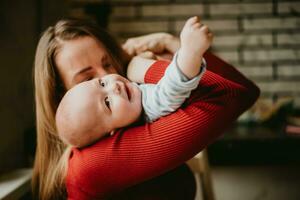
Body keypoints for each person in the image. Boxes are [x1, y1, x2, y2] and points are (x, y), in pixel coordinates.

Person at [32, 15, 260, 200]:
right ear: (61, 97)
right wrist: (139, 67)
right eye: (86, 79)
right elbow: (232, 95)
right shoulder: (91, 164)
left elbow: (247, 92)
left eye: (108, 62)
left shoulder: (133, 113)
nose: (112, 79)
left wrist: (170, 43)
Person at [55, 17, 209, 148]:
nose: (113, 85)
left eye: (102, 83)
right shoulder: (148, 107)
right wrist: (190, 51)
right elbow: (172, 89)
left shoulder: (131, 97)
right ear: (112, 132)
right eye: (107, 102)